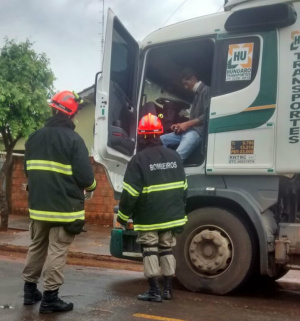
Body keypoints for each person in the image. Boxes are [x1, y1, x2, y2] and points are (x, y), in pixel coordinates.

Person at [22, 90, 97, 314]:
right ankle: (50, 299)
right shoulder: (74, 140)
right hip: (64, 210)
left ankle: (29, 291)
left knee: (36, 246)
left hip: (38, 207)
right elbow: (85, 178)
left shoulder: (34, 137)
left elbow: (28, 171)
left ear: (53, 109)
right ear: (71, 115)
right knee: (57, 250)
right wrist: (91, 188)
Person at [117, 113, 187, 302]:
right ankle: (168, 290)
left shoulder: (138, 160)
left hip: (148, 216)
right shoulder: (175, 156)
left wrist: (122, 217)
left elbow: (130, 193)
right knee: (166, 249)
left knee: (150, 250)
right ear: (159, 134)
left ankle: (154, 291)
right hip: (171, 215)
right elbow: (184, 189)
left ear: (141, 136)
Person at [160, 67, 210, 161]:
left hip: (197, 134)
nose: (185, 87)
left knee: (176, 158)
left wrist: (187, 124)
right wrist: (180, 125)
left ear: (193, 79)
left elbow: (208, 115)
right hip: (188, 131)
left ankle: (171, 170)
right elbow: (193, 120)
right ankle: (163, 164)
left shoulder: (206, 91)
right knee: (161, 140)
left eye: (186, 84)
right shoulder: (196, 95)